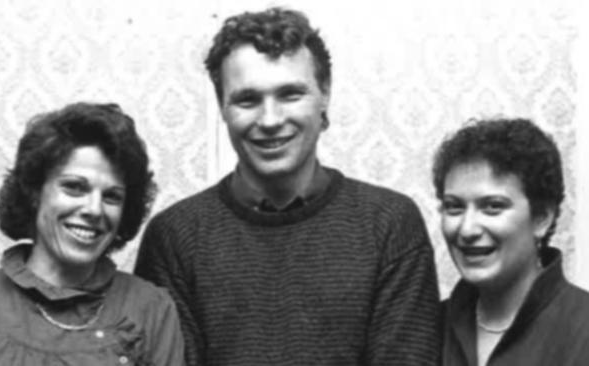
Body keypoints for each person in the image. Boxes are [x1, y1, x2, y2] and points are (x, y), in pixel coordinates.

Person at [134, 7, 440, 366]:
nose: (270, 120)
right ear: (222, 108)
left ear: (324, 95)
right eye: (248, 100)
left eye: (290, 94)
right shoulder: (174, 237)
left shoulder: (389, 224)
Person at [0, 103, 185, 365]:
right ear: (34, 192)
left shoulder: (151, 309)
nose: (94, 209)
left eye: (111, 196)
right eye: (74, 187)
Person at [433, 118, 589, 365]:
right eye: (454, 207)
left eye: (493, 207)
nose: (467, 229)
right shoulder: (428, 328)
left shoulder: (582, 327)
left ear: (541, 219)